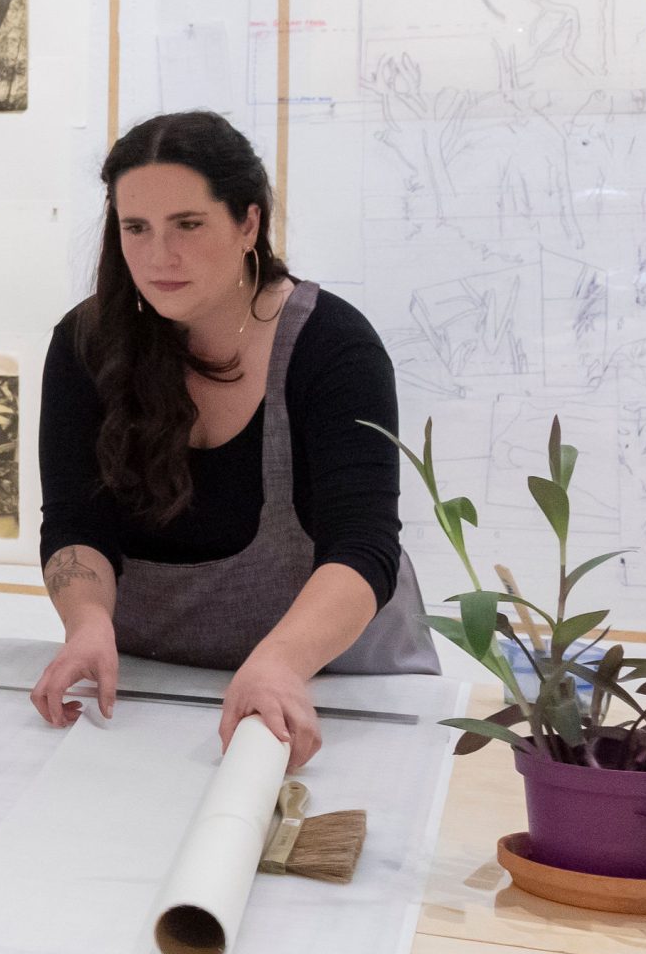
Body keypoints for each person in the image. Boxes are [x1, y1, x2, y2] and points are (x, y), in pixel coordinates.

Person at [28, 110, 436, 768]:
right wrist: (87, 622)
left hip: (333, 687)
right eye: (137, 228)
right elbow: (76, 521)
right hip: (157, 694)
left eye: (188, 225)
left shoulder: (333, 347)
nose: (160, 256)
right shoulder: (86, 345)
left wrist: (279, 662)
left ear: (248, 222)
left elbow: (363, 547)